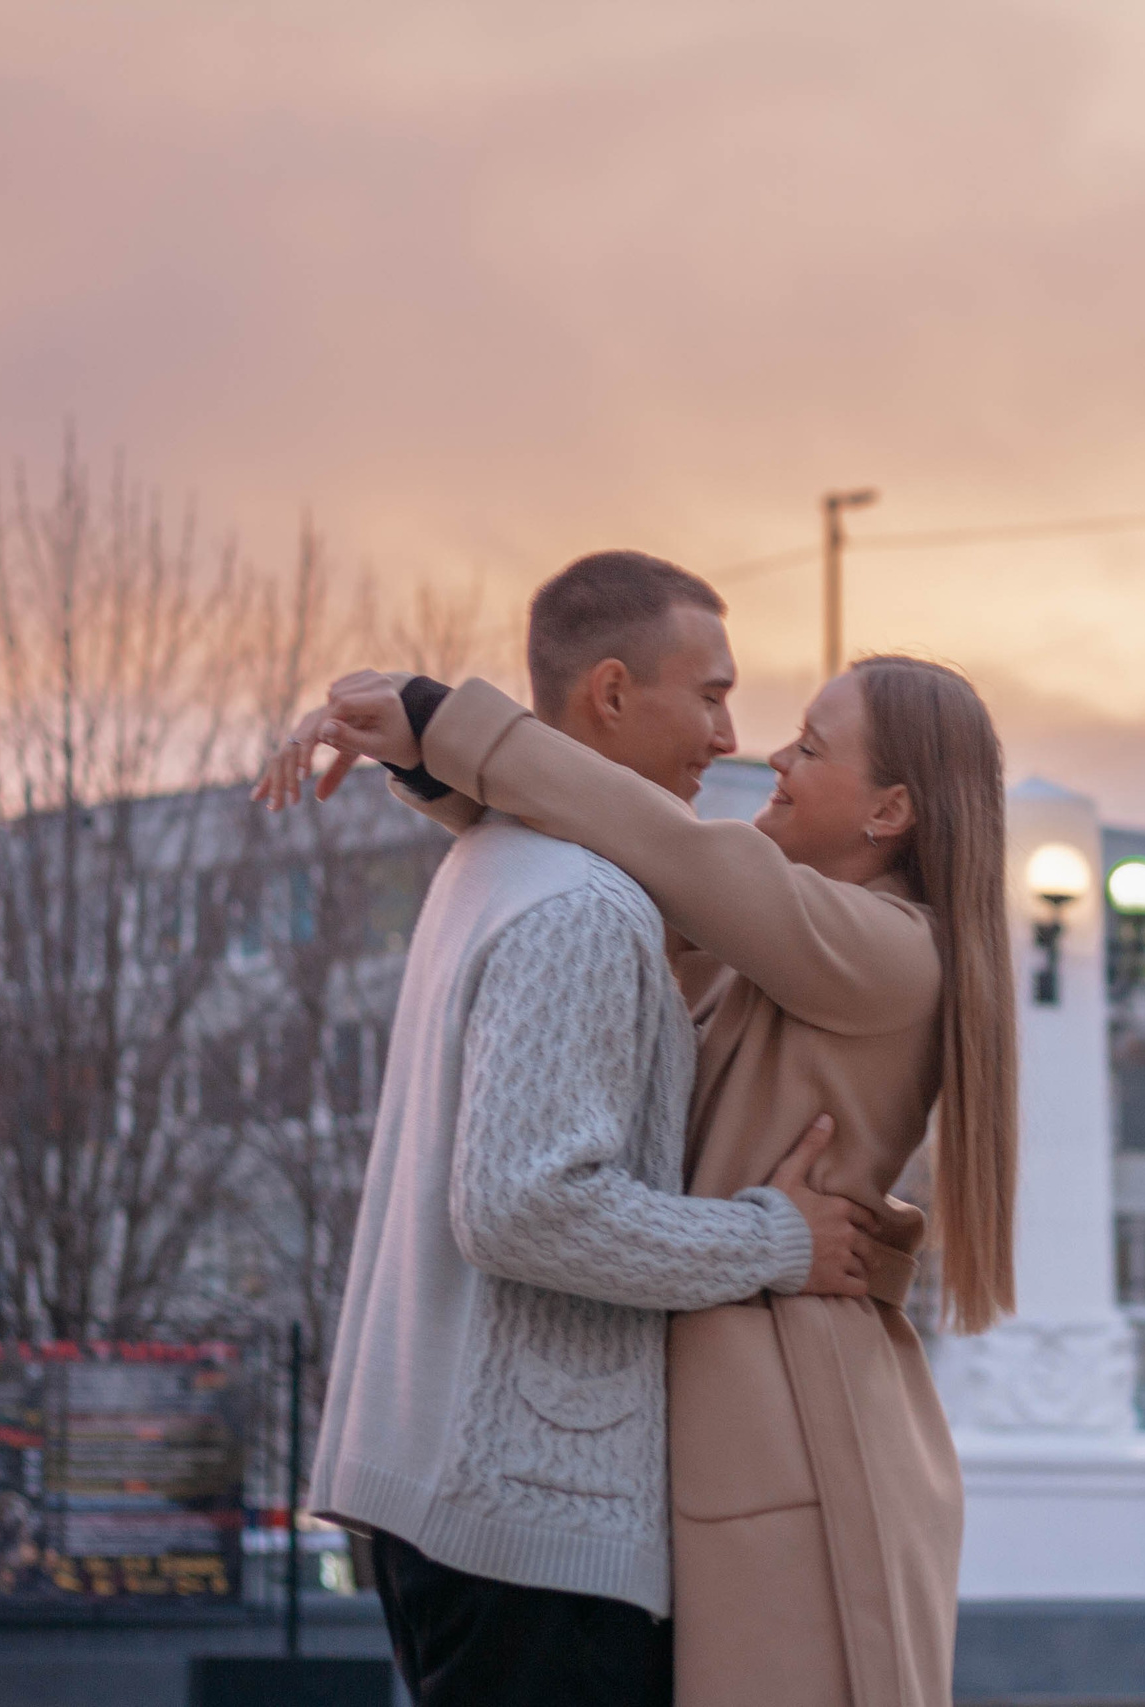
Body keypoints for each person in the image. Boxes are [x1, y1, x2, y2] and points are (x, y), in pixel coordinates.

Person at [262, 567, 1018, 1707]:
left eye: (810, 749)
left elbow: (668, 857)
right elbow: (607, 863)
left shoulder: (885, 948)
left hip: (791, 1417)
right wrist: (433, 764)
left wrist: (446, 723)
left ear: (890, 812)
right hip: (739, 1385)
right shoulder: (767, 938)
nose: (763, 753)